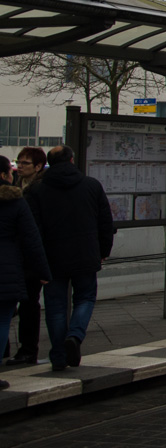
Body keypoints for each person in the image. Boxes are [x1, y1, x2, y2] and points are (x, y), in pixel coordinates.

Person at [26, 145, 114, 372]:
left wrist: (37, 262)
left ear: (49, 163)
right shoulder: (91, 185)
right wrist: (103, 250)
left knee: (55, 307)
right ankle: (74, 336)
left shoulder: (36, 190)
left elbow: (33, 230)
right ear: (72, 160)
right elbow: (105, 222)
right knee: (85, 298)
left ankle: (58, 356)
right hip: (85, 254)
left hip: (52, 258)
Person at [0, 155, 52, 389]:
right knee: (2, 320)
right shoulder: (15, 201)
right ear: (5, 175)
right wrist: (43, 271)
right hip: (7, 268)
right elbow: (32, 239)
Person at [6, 147, 47, 365]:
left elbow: (36, 229)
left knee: (29, 303)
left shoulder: (40, 189)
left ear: (38, 166)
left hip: (30, 257)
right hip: (15, 256)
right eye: (18, 162)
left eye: (25, 163)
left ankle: (28, 349)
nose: (20, 166)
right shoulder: (15, 186)